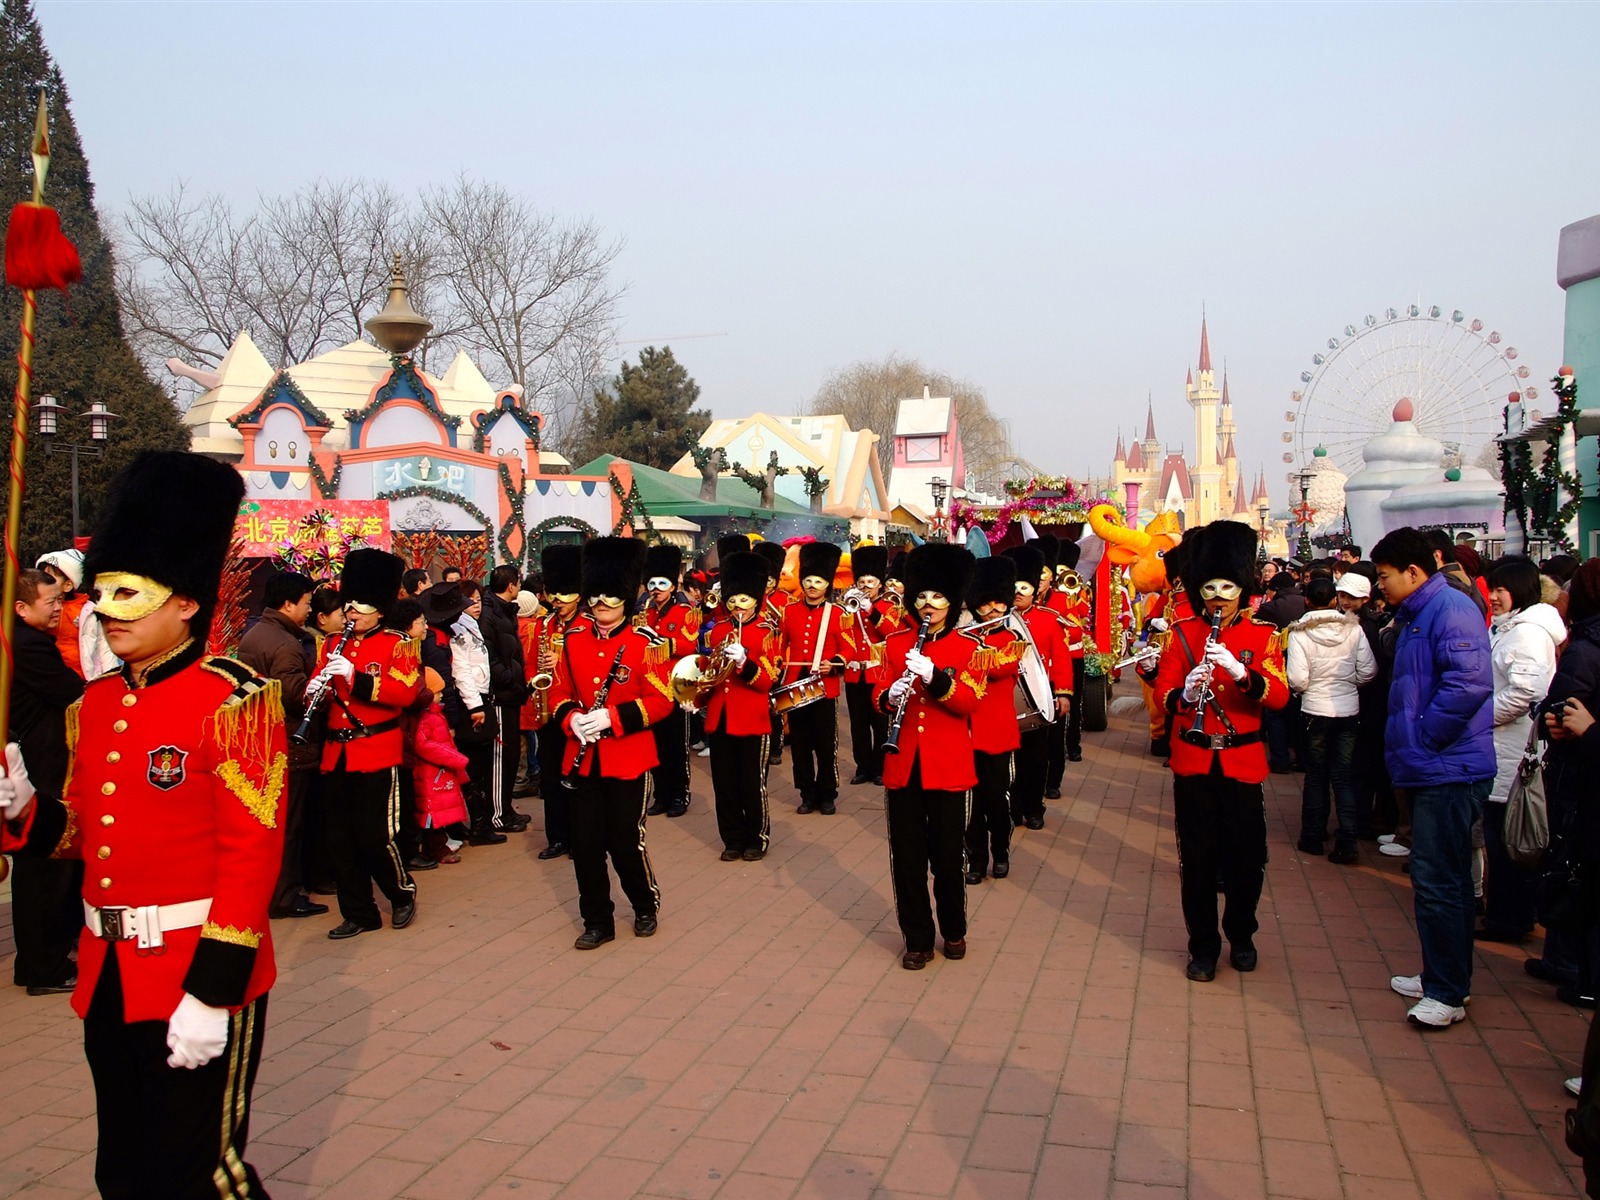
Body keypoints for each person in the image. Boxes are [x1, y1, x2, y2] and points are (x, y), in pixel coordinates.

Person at [0, 451, 284, 1197]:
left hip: (196, 968)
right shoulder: (92, 704)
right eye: (100, 595)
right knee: (123, 1170)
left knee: (202, 1177)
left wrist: (213, 991)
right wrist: (26, 810)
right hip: (111, 972)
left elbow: (251, 855)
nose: (105, 611)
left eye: (131, 593)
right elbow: (86, 833)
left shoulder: (234, 700)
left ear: (185, 601)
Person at [1153, 522, 1288, 983]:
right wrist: (1185, 695)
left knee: (1247, 857)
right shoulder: (1182, 633)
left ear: (1241, 588)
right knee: (1198, 858)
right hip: (1194, 759)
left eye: (1227, 586)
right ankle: (1203, 945)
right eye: (1209, 587)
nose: (1217, 596)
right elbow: (1165, 694)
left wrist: (1242, 675)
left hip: (1241, 759)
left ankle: (1242, 934)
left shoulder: (1264, 635)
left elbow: (1280, 696)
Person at [1372, 526, 1494, 1029]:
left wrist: (1424, 737)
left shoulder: (1450, 610)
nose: (1379, 585)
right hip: (1435, 765)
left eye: (1384, 576)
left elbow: (1468, 684)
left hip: (1448, 767)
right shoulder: (1423, 612)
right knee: (1441, 879)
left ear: (1414, 572)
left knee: (1439, 880)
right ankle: (1443, 974)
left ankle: (1447, 989)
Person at [547, 537, 674, 949]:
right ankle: (597, 920)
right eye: (596, 596)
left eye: (610, 597)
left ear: (626, 598)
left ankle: (644, 904)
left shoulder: (646, 644)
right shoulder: (572, 638)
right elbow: (557, 692)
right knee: (585, 846)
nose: (601, 604)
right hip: (582, 758)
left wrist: (613, 717)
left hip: (627, 757)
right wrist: (573, 719)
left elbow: (662, 701)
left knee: (624, 842)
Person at [874, 543, 983, 970]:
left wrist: (935, 678)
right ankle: (917, 938)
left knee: (948, 857)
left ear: (951, 602)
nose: (928, 605)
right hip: (903, 765)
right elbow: (879, 689)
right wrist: (889, 694)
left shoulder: (966, 646)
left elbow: (969, 701)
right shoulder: (896, 642)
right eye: (921, 597)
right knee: (907, 858)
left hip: (948, 767)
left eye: (937, 597)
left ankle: (953, 929)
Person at [315, 548, 423, 940]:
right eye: (349, 606)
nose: (352, 613)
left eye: (360, 606)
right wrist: (319, 689)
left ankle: (401, 892)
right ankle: (358, 912)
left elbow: (406, 692)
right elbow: (325, 690)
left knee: (375, 835)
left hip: (376, 749)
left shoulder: (397, 644)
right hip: (336, 752)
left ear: (379, 609)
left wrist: (357, 677)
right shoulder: (329, 645)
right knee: (340, 839)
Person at [1475, 557, 1564, 944]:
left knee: (1508, 839)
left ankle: (1510, 918)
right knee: (1498, 835)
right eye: (1492, 589)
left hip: (1511, 748)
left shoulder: (1527, 633)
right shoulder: (1512, 628)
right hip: (1501, 745)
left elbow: (1527, 691)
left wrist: (1479, 716)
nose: (1493, 597)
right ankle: (1507, 913)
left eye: (1501, 590)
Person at [236, 570, 330, 919]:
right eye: (306, 603)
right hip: (291, 742)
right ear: (288, 603)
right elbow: (296, 695)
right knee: (290, 826)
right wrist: (321, 688)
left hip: (267, 740)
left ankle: (282, 890)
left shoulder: (257, 633)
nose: (309, 611)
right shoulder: (285, 644)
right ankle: (286, 896)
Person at [7, 567, 84, 996]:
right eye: (51, 602)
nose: (59, 609)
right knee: (42, 868)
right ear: (22, 607)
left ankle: (47, 956)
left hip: (41, 765)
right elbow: (72, 692)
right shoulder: (30, 645)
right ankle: (42, 966)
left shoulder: (25, 641)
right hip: (40, 768)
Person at [1534, 560, 1600, 1007]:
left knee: (1573, 864)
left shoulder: (1584, 647)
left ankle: (1573, 965)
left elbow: (1563, 709)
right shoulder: (1583, 640)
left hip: (1580, 770)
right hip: (1582, 766)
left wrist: (1570, 724)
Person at [1287, 575, 1377, 864]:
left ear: (1308, 600)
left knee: (1315, 776)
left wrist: (1309, 688)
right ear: (1333, 600)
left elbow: (1298, 680)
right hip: (1348, 710)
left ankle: (1312, 836)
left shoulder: (1299, 633)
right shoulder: (1354, 630)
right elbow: (1368, 670)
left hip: (1314, 709)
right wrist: (1350, 685)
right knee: (1343, 776)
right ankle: (1347, 840)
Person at [701, 551, 781, 860]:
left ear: (756, 600)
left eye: (744, 600)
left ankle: (756, 838)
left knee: (751, 783)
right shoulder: (719, 630)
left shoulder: (767, 631)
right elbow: (711, 673)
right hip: (720, 717)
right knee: (725, 784)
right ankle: (732, 838)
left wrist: (745, 663)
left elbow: (768, 679)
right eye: (733, 600)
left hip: (752, 717)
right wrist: (696, 697)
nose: (737, 607)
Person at [964, 555, 1024, 884]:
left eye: (998, 605)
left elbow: (1002, 667)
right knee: (970, 805)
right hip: (967, 731)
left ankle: (1000, 852)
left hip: (998, 733)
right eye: (985, 606)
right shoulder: (964, 638)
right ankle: (976, 859)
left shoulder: (1013, 640)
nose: (992, 612)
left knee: (997, 803)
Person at [1003, 543, 1071, 830]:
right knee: (1010, 761)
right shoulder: (999, 621)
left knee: (1036, 758)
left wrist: (1063, 693)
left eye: (1025, 587)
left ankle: (1034, 808)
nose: (1018, 592)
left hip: (1040, 697)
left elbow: (1062, 658)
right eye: (1014, 586)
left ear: (1035, 590)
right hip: (1006, 699)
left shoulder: (1048, 620)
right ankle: (1014, 808)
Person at [778, 540, 849, 815]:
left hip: (824, 687)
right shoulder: (789, 612)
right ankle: (806, 793)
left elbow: (849, 649)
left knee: (825, 743)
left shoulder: (838, 613)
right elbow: (778, 644)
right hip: (795, 684)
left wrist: (835, 663)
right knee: (801, 744)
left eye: (818, 581)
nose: (811, 585)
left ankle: (827, 793)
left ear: (827, 584)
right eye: (808, 580)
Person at [529, 545, 584, 858]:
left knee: (575, 778)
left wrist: (561, 658)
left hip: (577, 712)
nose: (558, 600)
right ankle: (558, 837)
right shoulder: (543, 624)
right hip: (547, 710)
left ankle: (580, 837)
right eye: (554, 593)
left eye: (566, 592)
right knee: (551, 779)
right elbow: (531, 665)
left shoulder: (588, 625)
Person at [640, 543, 695, 817]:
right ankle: (661, 795)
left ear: (673, 586)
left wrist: (664, 642)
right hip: (650, 690)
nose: (656, 588)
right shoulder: (646, 613)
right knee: (655, 745)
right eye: (652, 583)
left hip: (675, 688)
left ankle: (679, 795)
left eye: (662, 583)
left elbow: (691, 645)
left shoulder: (685, 612)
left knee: (675, 746)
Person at [447, 579, 502, 843]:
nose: (476, 605)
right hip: (472, 703)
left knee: (481, 766)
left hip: (481, 698)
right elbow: (462, 672)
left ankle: (481, 823)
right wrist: (475, 705)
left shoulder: (472, 627)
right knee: (476, 768)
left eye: (479, 600)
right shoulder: (458, 629)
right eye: (471, 601)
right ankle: (479, 825)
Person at [479, 564, 531, 834]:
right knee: (501, 757)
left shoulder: (504, 611)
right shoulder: (490, 614)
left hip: (511, 693)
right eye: (518, 583)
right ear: (511, 585)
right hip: (499, 694)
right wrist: (511, 677)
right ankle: (497, 814)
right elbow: (490, 657)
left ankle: (506, 807)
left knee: (510, 756)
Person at [412, 667, 470, 865]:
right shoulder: (425, 718)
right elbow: (425, 745)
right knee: (432, 813)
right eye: (437, 692)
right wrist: (454, 758)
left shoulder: (436, 714)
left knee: (440, 810)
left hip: (440, 771)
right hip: (431, 773)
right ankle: (435, 848)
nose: (441, 696)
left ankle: (440, 843)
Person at [843, 543, 890, 786]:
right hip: (854, 674)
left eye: (870, 583)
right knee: (858, 725)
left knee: (880, 724)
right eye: (861, 582)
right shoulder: (848, 607)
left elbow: (891, 631)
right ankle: (863, 767)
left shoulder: (888, 605)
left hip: (877, 674)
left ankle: (881, 767)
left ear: (880, 584)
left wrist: (871, 610)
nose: (865, 587)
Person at [36, 548, 87, 677]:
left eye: (49, 578)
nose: (43, 583)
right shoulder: (35, 607)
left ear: (68, 585)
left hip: (78, 676)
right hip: (47, 670)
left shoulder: (84, 611)